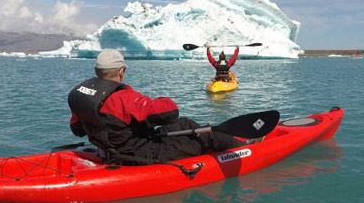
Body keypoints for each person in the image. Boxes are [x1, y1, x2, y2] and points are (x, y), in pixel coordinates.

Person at [68, 49, 243, 164]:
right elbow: (170, 111)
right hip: (139, 154)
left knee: (184, 124)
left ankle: (234, 142)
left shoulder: (82, 95)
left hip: (112, 148)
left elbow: (77, 130)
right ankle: (245, 148)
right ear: (121, 72)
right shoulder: (123, 98)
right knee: (202, 134)